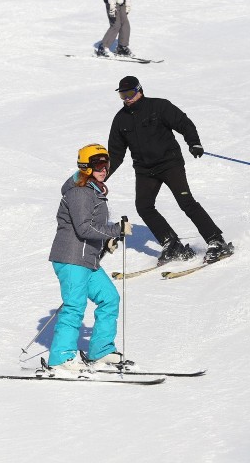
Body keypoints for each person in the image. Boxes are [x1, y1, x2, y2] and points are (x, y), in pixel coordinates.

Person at [106, 76, 233, 265]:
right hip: (144, 170)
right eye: (122, 95)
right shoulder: (120, 119)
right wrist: (101, 176)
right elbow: (115, 154)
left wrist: (194, 143)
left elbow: (184, 123)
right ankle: (171, 243)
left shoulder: (159, 106)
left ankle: (216, 240)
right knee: (144, 207)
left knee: (186, 202)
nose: (126, 98)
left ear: (139, 90)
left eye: (130, 93)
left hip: (169, 163)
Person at [45, 143, 133, 373]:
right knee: (75, 306)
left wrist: (106, 240)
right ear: (86, 167)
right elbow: (84, 228)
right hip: (71, 258)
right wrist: (115, 230)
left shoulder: (94, 190)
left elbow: (92, 227)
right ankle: (61, 358)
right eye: (98, 164)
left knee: (109, 298)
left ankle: (100, 351)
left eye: (106, 164)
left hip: (87, 259)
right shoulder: (80, 192)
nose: (104, 169)